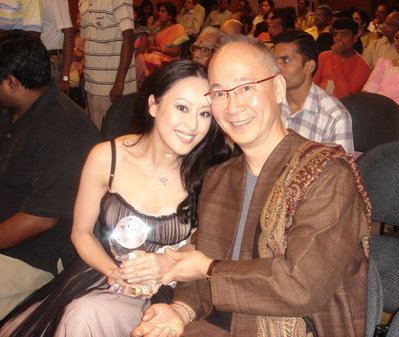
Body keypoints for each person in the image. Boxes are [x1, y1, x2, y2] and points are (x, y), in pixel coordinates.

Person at [131, 35, 371, 337]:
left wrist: (209, 268)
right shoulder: (221, 177)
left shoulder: (326, 175)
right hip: (216, 323)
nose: (233, 106)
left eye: (246, 88)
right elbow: (200, 270)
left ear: (279, 88)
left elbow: (300, 287)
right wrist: (180, 311)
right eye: (218, 94)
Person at [0, 60, 231, 337]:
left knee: (87, 314)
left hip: (171, 289)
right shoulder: (106, 157)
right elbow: (82, 233)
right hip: (103, 272)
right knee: (80, 314)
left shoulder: (212, 170)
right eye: (182, 107)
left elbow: (209, 244)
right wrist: (114, 273)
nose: (192, 124)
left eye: (205, 114)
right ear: (154, 105)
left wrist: (168, 262)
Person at [0, 30, 99, 321]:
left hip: (36, 255)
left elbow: (41, 219)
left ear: (12, 83)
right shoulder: (15, 109)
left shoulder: (63, 129)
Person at [273, 30, 354, 153]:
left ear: (309, 66)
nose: (276, 68)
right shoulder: (268, 101)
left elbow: (340, 171)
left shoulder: (334, 117)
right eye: (275, 61)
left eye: (285, 60)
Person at [79, 0, 136, 130]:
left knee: (112, 134)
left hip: (111, 84)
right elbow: (85, 38)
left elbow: (128, 38)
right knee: (96, 130)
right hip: (91, 81)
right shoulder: (83, 2)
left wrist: (119, 82)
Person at [313, 17, 370, 99]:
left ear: (355, 38)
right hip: (319, 103)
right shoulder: (324, 56)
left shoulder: (362, 65)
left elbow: (346, 97)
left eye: (344, 34)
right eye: (336, 34)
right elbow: (313, 86)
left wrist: (336, 57)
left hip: (342, 108)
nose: (338, 38)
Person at [144, 2, 189, 76]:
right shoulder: (159, 28)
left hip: (170, 60)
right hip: (157, 56)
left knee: (145, 59)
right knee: (140, 58)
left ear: (170, 16)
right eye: (159, 11)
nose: (159, 13)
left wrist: (155, 49)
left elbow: (175, 52)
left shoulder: (178, 28)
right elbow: (151, 43)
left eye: (163, 11)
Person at [39, 0, 74, 93]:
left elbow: (69, 33)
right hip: (42, 59)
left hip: (54, 60)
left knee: (55, 104)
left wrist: (65, 77)